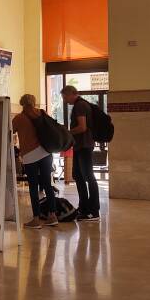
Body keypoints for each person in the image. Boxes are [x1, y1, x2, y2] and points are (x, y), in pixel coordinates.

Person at [12, 94, 58, 229]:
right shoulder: (41, 113)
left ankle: (36, 219)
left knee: (33, 186)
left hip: (30, 155)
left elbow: (9, 132)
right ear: (34, 102)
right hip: (46, 152)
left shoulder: (19, 118)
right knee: (47, 185)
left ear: (21, 103)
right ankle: (52, 216)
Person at [61, 85, 100, 222]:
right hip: (80, 146)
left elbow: (82, 127)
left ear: (72, 94)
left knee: (89, 176)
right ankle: (83, 207)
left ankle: (94, 211)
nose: (65, 100)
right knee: (78, 175)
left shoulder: (80, 106)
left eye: (65, 97)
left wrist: (67, 132)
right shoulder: (80, 105)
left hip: (84, 146)